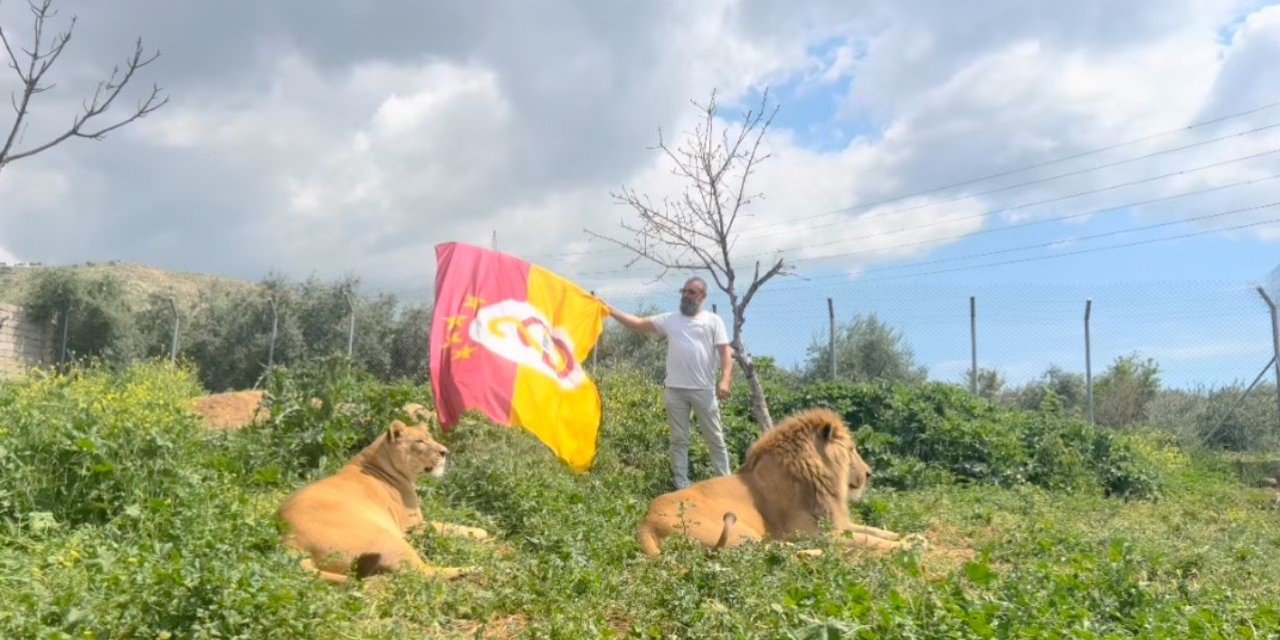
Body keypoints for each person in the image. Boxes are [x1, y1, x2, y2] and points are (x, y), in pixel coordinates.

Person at [606, 276, 734, 489]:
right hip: (675, 390)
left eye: (691, 292)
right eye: (684, 291)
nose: (686, 295)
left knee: (715, 438)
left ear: (702, 296)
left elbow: (725, 353)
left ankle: (725, 483)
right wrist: (609, 310)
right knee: (678, 440)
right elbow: (637, 323)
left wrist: (725, 380)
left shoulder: (713, 321)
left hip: (703, 389)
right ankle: (681, 485)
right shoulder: (670, 319)